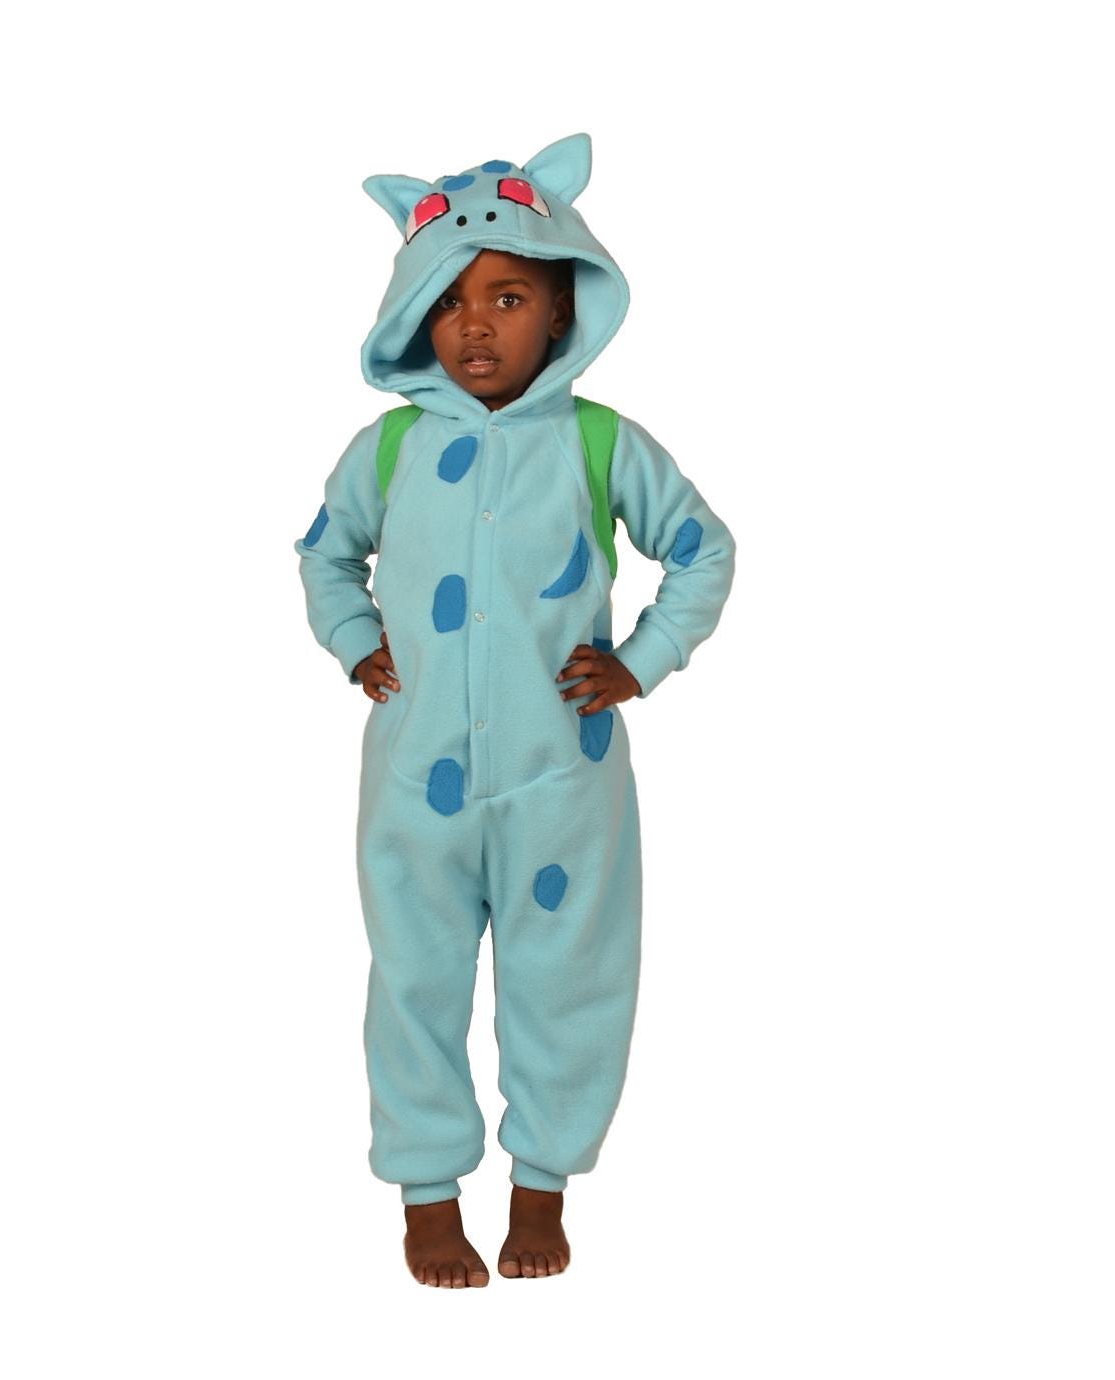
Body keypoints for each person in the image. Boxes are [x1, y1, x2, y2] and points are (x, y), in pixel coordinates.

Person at [295, 132, 736, 1287]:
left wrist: (642, 659)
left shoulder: (600, 443)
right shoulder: (389, 448)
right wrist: (355, 642)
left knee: (571, 979)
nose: (476, 326)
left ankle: (543, 1184)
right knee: (415, 982)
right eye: (448, 302)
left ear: (561, 310)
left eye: (507, 298)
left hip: (563, 784)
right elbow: (325, 554)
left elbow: (703, 548)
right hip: (415, 784)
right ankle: (427, 1195)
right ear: (412, 317)